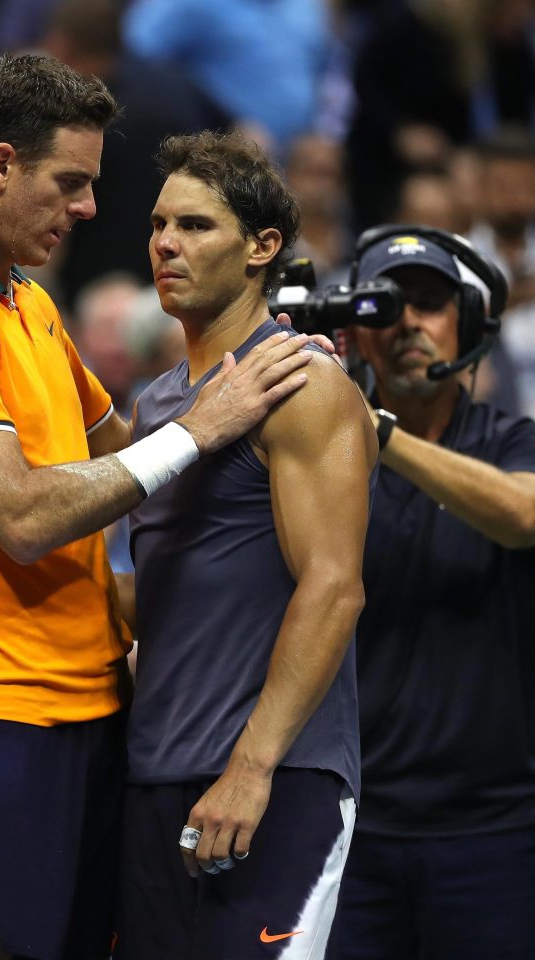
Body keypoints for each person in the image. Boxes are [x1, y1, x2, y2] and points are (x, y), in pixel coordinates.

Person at [0, 55, 319, 960]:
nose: (90, 210)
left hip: (88, 713)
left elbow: (123, 448)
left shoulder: (22, 302)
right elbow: (23, 516)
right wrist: (208, 423)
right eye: (71, 183)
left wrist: (276, 377)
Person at [113, 131, 377, 960]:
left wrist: (252, 768)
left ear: (264, 248)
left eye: (195, 226)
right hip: (156, 777)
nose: (165, 244)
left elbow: (335, 588)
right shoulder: (159, 405)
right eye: (159, 224)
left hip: (275, 780)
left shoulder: (303, 383)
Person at [335, 226, 535, 959]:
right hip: (354, 827)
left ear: (469, 324)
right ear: (357, 335)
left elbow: (524, 515)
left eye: (429, 303)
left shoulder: (512, 441)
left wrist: (380, 435)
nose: (409, 323)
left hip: (497, 830)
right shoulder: (324, 462)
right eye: (387, 306)